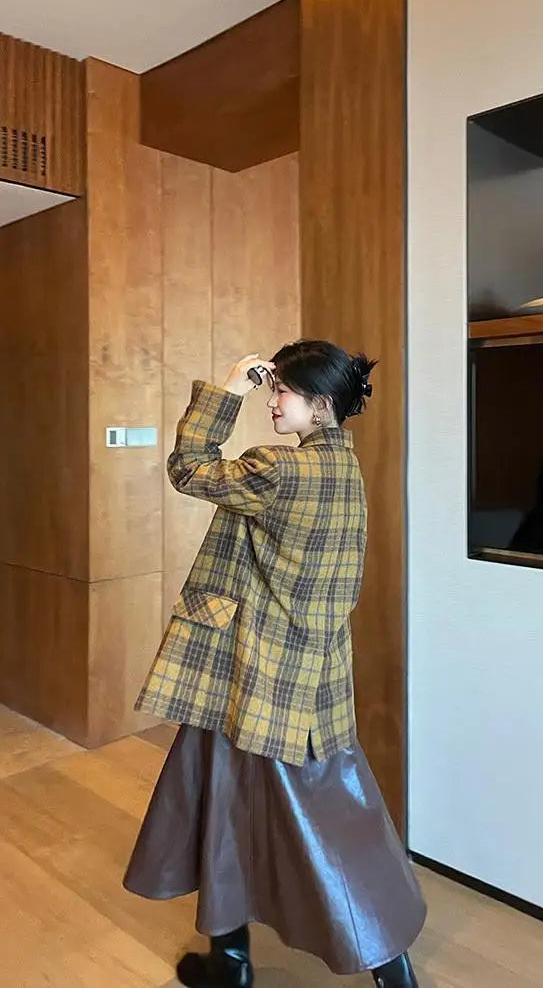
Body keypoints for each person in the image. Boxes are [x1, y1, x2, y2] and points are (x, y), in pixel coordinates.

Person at [124, 341, 425, 988]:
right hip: (306, 673)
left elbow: (188, 468)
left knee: (295, 819)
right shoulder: (344, 467)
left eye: (282, 391)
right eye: (270, 389)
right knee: (284, 808)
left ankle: (375, 964)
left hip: (256, 672)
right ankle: (233, 960)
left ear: (320, 403)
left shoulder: (278, 469)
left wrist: (229, 389)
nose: (272, 401)